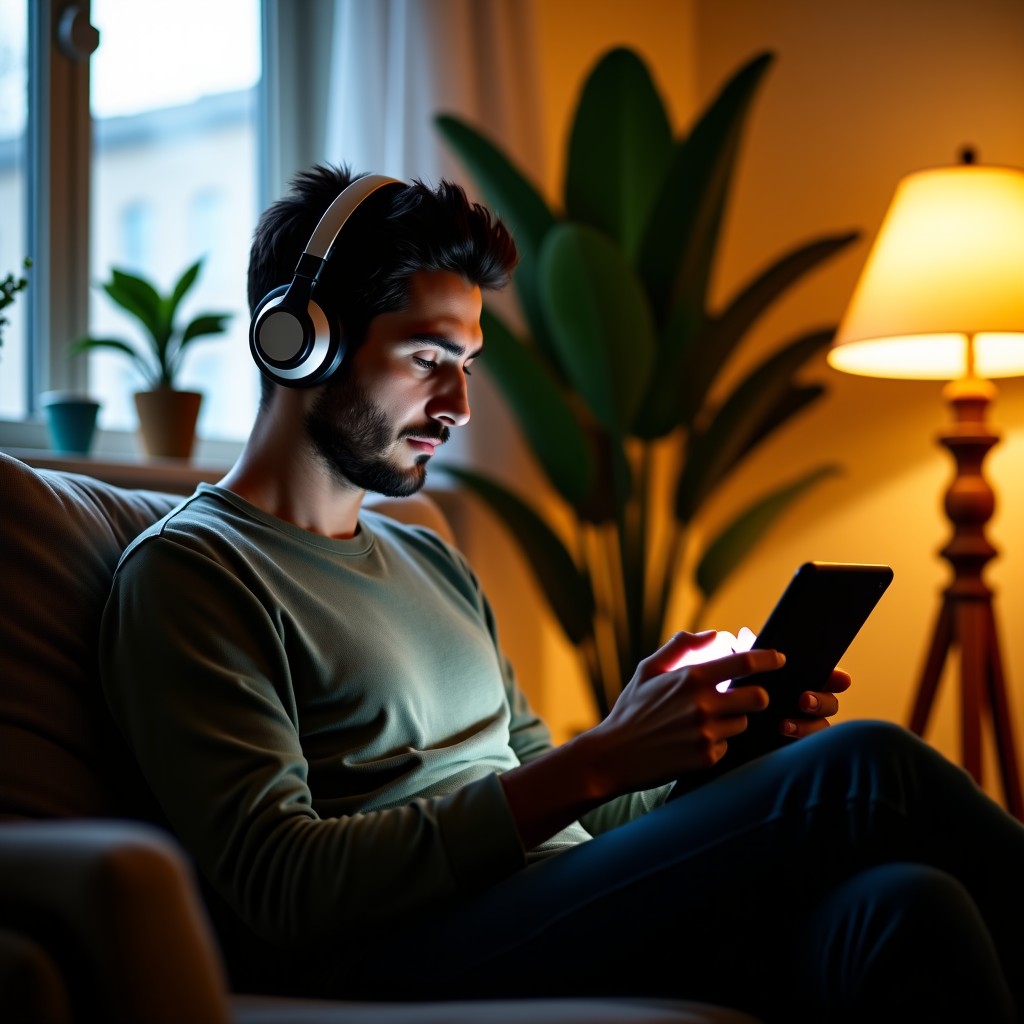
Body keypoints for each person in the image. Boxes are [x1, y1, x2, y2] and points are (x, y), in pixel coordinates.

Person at [99, 165, 1024, 1023]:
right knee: (865, 770)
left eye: (468, 363)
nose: (458, 403)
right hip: (401, 953)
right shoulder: (192, 574)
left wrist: (686, 751)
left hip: (557, 907)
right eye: (427, 358)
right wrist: (598, 758)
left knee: (906, 904)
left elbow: (573, 811)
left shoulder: (429, 561)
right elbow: (282, 884)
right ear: (302, 342)